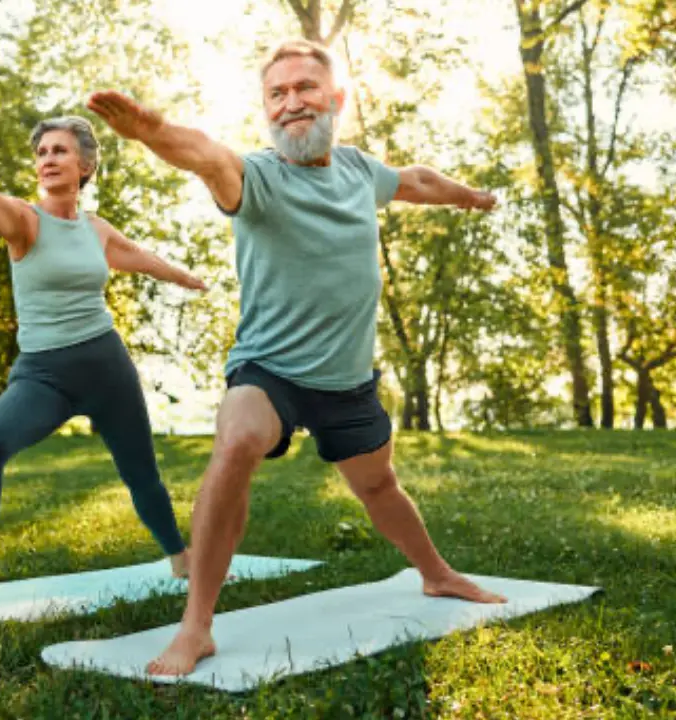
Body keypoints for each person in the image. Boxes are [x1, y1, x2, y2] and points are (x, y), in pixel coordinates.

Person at [87, 39, 508, 676]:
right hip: (270, 371)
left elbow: (418, 180)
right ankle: (196, 625)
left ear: (335, 99)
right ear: (266, 110)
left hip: (346, 380)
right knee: (237, 440)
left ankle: (437, 574)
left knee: (379, 487)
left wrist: (469, 196)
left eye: (305, 89)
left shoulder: (361, 171)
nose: (291, 104)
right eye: (277, 94)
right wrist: (152, 133)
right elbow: (206, 157)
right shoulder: (256, 177)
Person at [0, 115, 205, 616]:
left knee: (141, 473)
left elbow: (136, 255)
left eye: (59, 151)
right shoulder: (23, 221)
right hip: (45, 374)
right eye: (42, 152)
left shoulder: (95, 229)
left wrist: (184, 278)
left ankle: (181, 560)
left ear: (85, 165)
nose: (47, 159)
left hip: (106, 365)